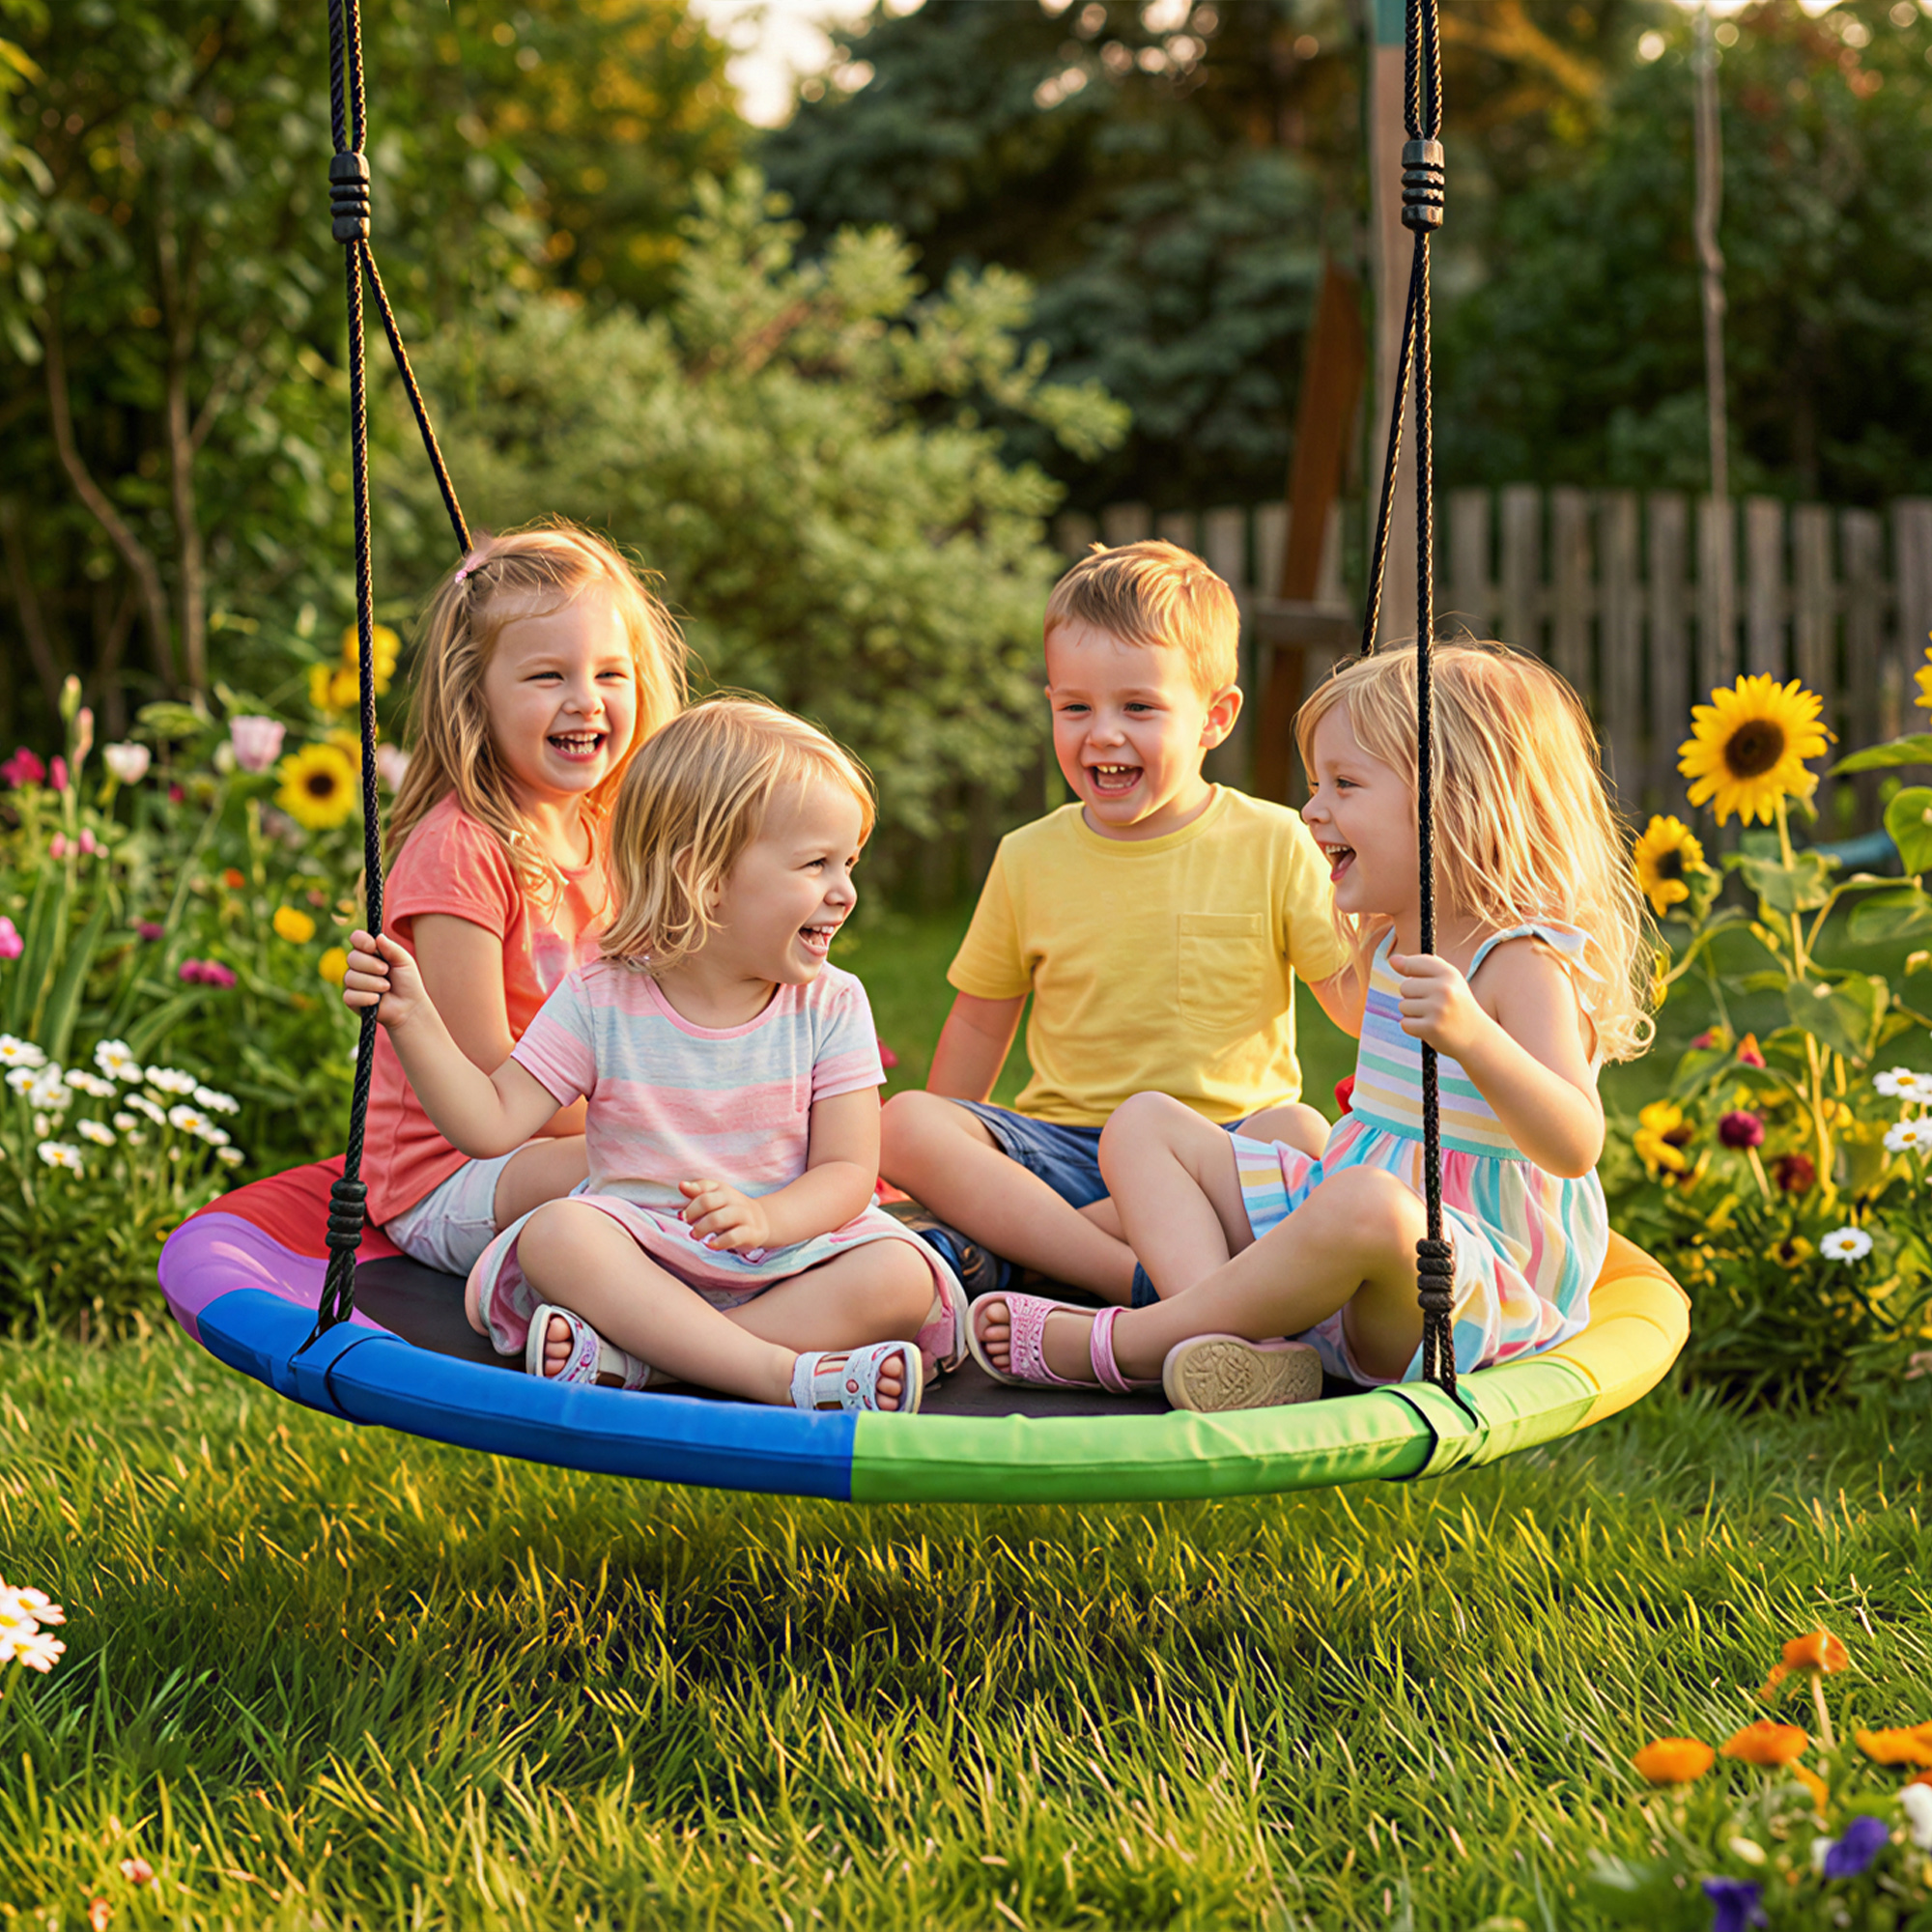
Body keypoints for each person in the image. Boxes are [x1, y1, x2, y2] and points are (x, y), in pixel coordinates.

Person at [965, 640, 1651, 1410]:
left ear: (1456, 801)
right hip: (1351, 1232)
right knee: (1146, 1124)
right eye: (1317, 785)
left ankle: (1134, 1344)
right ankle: (1231, 1348)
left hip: (1456, 1291)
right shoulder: (1392, 939)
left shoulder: (1521, 960)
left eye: (1345, 785)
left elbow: (1575, 1143)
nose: (1313, 810)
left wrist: (1475, 1038)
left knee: (1366, 1203)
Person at [341, 698, 962, 1415]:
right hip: (647, 1252)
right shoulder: (601, 999)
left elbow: (848, 1173)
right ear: (707, 877)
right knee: (558, 1235)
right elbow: (490, 1123)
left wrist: (768, 1221)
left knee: (900, 1275)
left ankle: (648, 1363)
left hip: (791, 1253)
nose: (845, 892)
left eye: (847, 863)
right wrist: (412, 1018)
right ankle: (774, 1374)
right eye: (816, 864)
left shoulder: (832, 1004)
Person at [880, 539, 1352, 1307]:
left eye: (1138, 707)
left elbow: (1353, 1001)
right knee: (904, 1124)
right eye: (1076, 708)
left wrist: (1394, 933)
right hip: (1061, 1153)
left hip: (1212, 1150)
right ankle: (1123, 1271)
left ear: (1215, 718)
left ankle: (1028, 1255)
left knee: (1299, 1134)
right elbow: (977, 1024)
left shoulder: (1275, 841)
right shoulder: (1028, 856)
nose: (1102, 733)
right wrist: (939, 1171)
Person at [366, 520, 688, 1277]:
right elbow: (488, 1084)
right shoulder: (459, 852)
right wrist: (658, 1125)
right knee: (663, 1171)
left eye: (610, 674)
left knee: (720, 1165)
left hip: (586, 1141)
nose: (585, 701)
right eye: (549, 677)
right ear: (474, 697)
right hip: (456, 1170)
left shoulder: (620, 834)